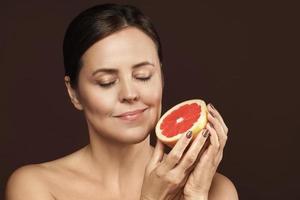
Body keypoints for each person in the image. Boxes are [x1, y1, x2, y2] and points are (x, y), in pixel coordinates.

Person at [5, 3, 238, 200]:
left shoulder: (216, 190)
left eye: (143, 76)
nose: (130, 93)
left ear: (162, 77)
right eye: (106, 81)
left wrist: (196, 195)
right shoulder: (35, 186)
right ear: (74, 93)